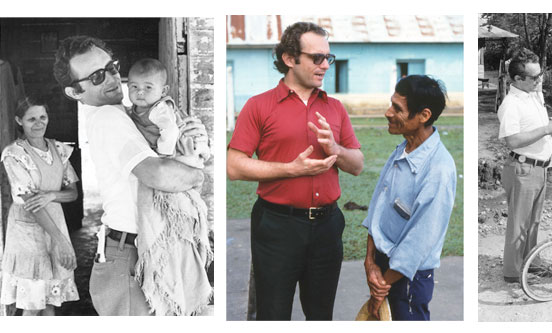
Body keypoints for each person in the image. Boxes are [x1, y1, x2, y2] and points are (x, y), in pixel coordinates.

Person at [53, 35, 208, 315]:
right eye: (97, 77)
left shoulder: (125, 113)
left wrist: (189, 137)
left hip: (138, 249)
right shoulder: (107, 118)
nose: (113, 78)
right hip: (129, 257)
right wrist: (197, 173)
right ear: (75, 92)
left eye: (111, 67)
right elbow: (158, 175)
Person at [227, 21, 364, 320]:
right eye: (317, 58)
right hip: (277, 226)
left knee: (320, 315)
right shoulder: (258, 106)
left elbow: (358, 165)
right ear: (290, 58)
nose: (325, 65)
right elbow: (234, 166)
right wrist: (290, 169)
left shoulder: (335, 108)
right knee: (272, 314)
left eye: (329, 58)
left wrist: (336, 150)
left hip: (328, 226)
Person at [362, 75, 456, 321]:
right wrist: (370, 262)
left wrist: (383, 282)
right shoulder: (402, 149)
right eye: (390, 104)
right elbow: (377, 207)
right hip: (383, 271)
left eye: (397, 108)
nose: (387, 112)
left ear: (423, 116)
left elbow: (419, 241)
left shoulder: (439, 169)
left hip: (407, 279)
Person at [126, 58, 213, 315]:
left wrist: (163, 155)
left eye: (147, 88)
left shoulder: (160, 110)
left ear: (163, 91)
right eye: (133, 87)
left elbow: (171, 132)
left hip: (178, 155)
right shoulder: (131, 113)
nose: (139, 93)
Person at [497, 48, 552, 283]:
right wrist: (547, 129)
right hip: (523, 169)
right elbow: (512, 140)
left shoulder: (532, 96)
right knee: (519, 223)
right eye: (534, 77)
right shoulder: (511, 104)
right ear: (518, 79)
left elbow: (533, 128)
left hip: (538, 168)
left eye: (540, 74)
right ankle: (512, 271)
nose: (540, 80)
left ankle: (529, 260)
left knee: (533, 221)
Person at [0, 97, 79, 315]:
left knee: (51, 301)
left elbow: (72, 193)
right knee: (32, 305)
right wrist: (61, 240)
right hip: (28, 234)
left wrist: (51, 195)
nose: (38, 123)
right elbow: (31, 203)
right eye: (31, 119)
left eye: (42, 117)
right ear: (19, 121)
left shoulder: (60, 150)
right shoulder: (14, 154)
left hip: (55, 224)